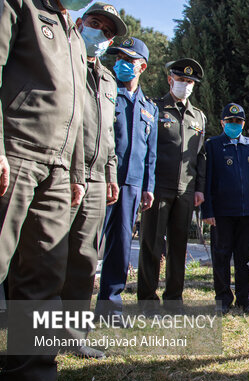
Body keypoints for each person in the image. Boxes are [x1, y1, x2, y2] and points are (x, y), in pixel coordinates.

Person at [0, 0, 90, 381]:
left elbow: (76, 111)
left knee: (44, 276)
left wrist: (75, 173)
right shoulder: (19, 5)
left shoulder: (73, 32)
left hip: (57, 167)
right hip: (15, 151)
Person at [61, 2, 126, 359]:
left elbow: (108, 134)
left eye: (107, 31)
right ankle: (31, 340)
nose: (99, 34)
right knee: (43, 259)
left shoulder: (106, 78)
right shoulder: (64, 58)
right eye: (94, 23)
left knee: (85, 261)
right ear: (80, 21)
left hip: (97, 178)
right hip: (61, 171)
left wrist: (110, 174)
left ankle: (72, 336)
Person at [137, 58, 207, 315]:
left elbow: (200, 156)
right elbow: (144, 149)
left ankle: (174, 299)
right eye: (181, 80)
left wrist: (199, 188)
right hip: (158, 189)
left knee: (179, 246)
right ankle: (147, 300)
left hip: (186, 190)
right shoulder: (154, 108)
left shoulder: (198, 116)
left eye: (190, 82)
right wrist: (146, 184)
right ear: (170, 80)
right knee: (152, 244)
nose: (185, 85)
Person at [96, 37, 158, 317]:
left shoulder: (150, 107)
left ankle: (110, 306)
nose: (122, 64)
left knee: (120, 248)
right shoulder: (104, 91)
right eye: (118, 58)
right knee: (87, 246)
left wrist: (149, 186)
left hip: (132, 184)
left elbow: (151, 153)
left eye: (129, 60)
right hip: (100, 178)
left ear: (142, 67)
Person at [202, 103, 249, 315]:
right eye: (230, 121)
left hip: (247, 212)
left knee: (244, 259)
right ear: (222, 122)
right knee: (221, 257)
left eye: (238, 121)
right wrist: (207, 210)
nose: (234, 125)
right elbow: (208, 180)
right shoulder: (212, 145)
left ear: (244, 124)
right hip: (221, 213)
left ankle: (244, 300)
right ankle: (222, 299)